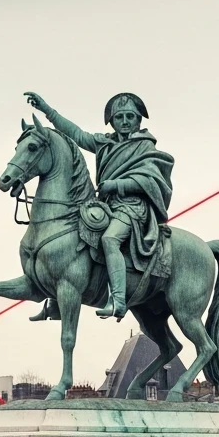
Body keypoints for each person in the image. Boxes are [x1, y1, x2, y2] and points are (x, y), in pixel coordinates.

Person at [23, 91, 174, 321]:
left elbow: (150, 181)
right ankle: (56, 301)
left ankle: (119, 300)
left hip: (132, 207)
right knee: (70, 238)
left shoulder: (145, 147)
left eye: (130, 116)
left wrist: (116, 185)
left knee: (109, 239)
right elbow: (75, 133)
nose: (125, 121)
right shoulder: (105, 144)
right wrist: (46, 109)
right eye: (119, 117)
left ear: (138, 120)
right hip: (106, 207)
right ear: (112, 121)